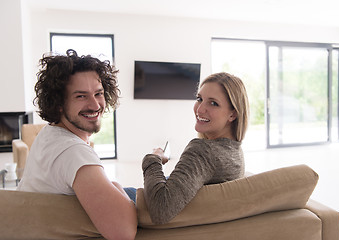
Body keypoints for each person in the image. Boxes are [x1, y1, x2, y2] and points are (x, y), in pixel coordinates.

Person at [17, 49, 137, 240]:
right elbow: (123, 233)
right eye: (81, 96)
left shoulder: (49, 132)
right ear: (59, 103)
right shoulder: (73, 152)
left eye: (98, 93)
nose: (95, 105)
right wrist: (114, 184)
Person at [142, 72, 250, 224]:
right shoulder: (235, 152)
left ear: (232, 114)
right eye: (199, 99)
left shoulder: (202, 151)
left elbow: (161, 209)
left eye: (213, 103)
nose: (199, 109)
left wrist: (153, 159)